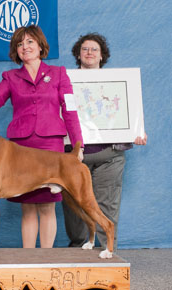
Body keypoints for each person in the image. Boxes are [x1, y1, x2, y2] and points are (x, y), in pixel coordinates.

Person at [0, 25, 84, 249]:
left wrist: (78, 145)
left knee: (47, 206)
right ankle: (28, 258)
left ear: (41, 45)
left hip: (50, 144)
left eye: (30, 42)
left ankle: (46, 257)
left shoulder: (59, 74)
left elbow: (70, 111)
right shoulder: (11, 77)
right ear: (16, 50)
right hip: (21, 147)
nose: (25, 47)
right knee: (28, 206)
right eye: (20, 44)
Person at [62, 33, 147, 250]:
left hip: (109, 155)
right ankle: (78, 247)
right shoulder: (63, 81)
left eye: (94, 50)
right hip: (74, 155)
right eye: (85, 49)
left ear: (102, 56)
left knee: (106, 202)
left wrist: (137, 131)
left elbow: (131, 114)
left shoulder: (118, 84)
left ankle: (107, 249)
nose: (89, 53)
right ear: (78, 55)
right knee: (74, 205)